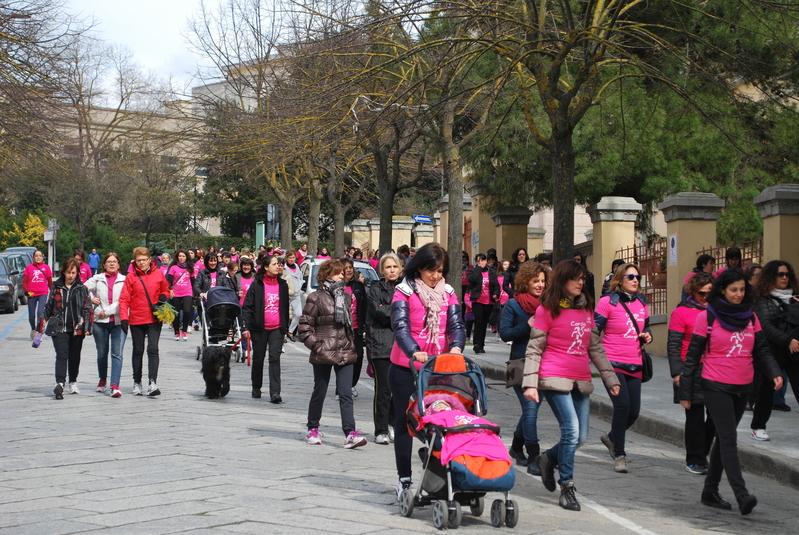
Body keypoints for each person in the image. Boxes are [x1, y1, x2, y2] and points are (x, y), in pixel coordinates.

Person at [680, 269, 782, 516]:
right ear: (722, 290)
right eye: (733, 289)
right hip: (715, 385)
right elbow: (693, 357)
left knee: (724, 438)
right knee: (728, 437)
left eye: (742, 289)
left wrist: (774, 372)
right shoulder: (708, 317)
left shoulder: (751, 317)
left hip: (743, 386)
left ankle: (709, 491)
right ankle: (741, 494)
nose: (738, 294)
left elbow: (762, 350)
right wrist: (685, 391)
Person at [523, 260, 620, 511]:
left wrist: (611, 380)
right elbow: (534, 348)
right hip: (553, 377)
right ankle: (567, 487)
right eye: (575, 278)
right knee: (571, 431)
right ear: (562, 281)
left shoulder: (586, 310)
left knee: (582, 437)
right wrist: (531, 385)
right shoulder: (547, 310)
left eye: (583, 279)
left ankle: (547, 459)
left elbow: (595, 347)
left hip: (580, 380)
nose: (580, 283)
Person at [389, 242, 465, 499]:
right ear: (419, 268)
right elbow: (400, 326)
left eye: (440, 271)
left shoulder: (449, 292)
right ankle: (405, 479)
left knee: (440, 423)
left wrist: (456, 346)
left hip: (438, 369)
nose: (435, 276)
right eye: (430, 270)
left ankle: (439, 477)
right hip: (405, 368)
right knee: (405, 424)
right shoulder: (404, 291)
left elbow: (456, 325)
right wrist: (413, 350)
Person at [298, 259, 368, 449]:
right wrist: (317, 346)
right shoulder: (316, 297)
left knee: (346, 393)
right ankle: (312, 427)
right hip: (324, 350)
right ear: (327, 275)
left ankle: (350, 433)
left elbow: (348, 325)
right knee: (319, 391)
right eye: (338, 273)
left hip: (344, 349)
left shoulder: (345, 297)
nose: (342, 276)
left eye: (342, 273)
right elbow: (304, 327)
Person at [594, 263, 652, 473]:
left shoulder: (642, 303)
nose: (636, 280)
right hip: (612, 363)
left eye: (638, 277)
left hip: (635, 362)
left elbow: (647, 328)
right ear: (620, 279)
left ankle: (611, 437)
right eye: (631, 277)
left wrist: (648, 335)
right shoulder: (607, 302)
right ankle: (620, 454)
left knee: (634, 412)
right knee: (622, 406)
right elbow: (593, 332)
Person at [500, 261, 549, 474]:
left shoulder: (550, 304)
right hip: (520, 365)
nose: (540, 285)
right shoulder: (513, 305)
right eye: (535, 280)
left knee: (530, 412)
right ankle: (534, 456)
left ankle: (516, 448)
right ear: (524, 281)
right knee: (530, 411)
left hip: (545, 365)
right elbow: (505, 334)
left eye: (543, 281)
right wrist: (526, 326)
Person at [667, 272, 715, 474]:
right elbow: (674, 344)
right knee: (694, 417)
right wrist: (677, 373)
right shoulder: (682, 312)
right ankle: (695, 459)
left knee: (715, 417)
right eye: (702, 293)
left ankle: (702, 451)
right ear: (693, 292)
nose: (706, 297)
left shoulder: (719, 311)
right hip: (691, 368)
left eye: (710, 293)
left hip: (715, 368)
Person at [749, 260, 799, 441]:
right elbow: (766, 327)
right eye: (780, 274)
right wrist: (788, 341)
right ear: (771, 276)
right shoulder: (763, 300)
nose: (784, 278)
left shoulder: (796, 297)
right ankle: (758, 427)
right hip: (772, 353)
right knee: (767, 391)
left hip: (794, 354)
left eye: (787, 274)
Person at [118, 247, 169, 397]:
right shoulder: (131, 277)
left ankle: (152, 382)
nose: (142, 263)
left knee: (153, 349)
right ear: (135, 261)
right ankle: (137, 382)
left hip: (154, 318)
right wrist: (124, 318)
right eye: (139, 260)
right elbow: (124, 298)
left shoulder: (158, 273)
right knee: (138, 350)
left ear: (149, 260)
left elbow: (166, 289)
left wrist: (164, 296)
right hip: (137, 318)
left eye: (144, 260)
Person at [41, 257, 94, 399]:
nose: (71, 275)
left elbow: (87, 308)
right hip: (59, 328)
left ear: (77, 273)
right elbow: (48, 307)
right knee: (62, 355)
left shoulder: (82, 288)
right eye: (68, 272)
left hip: (78, 328)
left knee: (74, 356)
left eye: (74, 272)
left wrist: (88, 327)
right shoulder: (56, 287)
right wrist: (40, 326)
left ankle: (73, 381)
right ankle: (60, 383)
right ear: (63, 272)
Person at [242, 255, 290, 403]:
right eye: (275, 264)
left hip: (277, 328)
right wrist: (246, 327)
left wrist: (285, 327)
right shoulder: (257, 284)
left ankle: (275, 393)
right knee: (258, 358)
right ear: (266, 267)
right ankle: (256, 387)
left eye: (279, 264)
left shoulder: (283, 284)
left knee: (275, 358)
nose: (278, 266)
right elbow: (247, 307)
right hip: (259, 328)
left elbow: (285, 307)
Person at [367, 252, 402, 445]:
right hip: (380, 344)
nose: (392, 270)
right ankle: (380, 429)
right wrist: (399, 310)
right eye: (388, 267)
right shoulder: (374, 289)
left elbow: (412, 311)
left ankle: (393, 424)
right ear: (382, 270)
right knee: (383, 390)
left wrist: (391, 308)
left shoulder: (407, 288)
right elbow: (379, 311)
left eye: (395, 266)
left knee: (399, 389)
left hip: (402, 344)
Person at [85, 253, 127, 398]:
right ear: (103, 264)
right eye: (108, 261)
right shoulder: (97, 278)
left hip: (118, 321)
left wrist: (106, 311)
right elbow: (82, 289)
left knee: (117, 353)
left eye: (114, 261)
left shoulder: (124, 280)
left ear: (119, 264)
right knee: (102, 353)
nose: (111, 264)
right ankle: (102, 380)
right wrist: (92, 300)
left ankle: (115, 385)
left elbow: (124, 300)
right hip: (99, 321)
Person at [341, 258, 367, 398]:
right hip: (340, 329)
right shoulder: (336, 286)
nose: (349, 270)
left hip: (356, 328)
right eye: (346, 267)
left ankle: (351, 384)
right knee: (342, 358)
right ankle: (342, 386)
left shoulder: (358, 286)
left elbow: (364, 306)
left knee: (358, 357)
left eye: (351, 267)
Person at [468, 253, 499, 354]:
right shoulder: (473, 271)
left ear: (486, 261)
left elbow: (496, 285)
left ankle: (481, 345)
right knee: (479, 321)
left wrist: (495, 293)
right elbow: (472, 280)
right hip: (477, 300)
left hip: (488, 301)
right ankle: (476, 344)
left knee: (485, 322)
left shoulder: (491, 272)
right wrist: (478, 269)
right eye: (478, 261)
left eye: (482, 260)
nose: (481, 263)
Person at [23, 249, 53, 340]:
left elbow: (50, 281)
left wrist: (53, 292)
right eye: (36, 256)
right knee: (31, 316)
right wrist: (26, 291)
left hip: (43, 292)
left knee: (40, 313)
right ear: (33, 257)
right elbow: (25, 281)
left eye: (40, 256)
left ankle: (38, 331)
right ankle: (33, 329)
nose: (38, 257)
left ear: (43, 257)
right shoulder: (29, 267)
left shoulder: (46, 267)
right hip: (32, 293)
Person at [166, 250, 195, 342]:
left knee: (187, 311)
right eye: (180, 256)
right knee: (176, 312)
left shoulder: (190, 268)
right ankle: (176, 331)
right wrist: (170, 290)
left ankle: (185, 330)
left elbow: (193, 281)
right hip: (176, 292)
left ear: (186, 257)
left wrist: (195, 293)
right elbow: (169, 280)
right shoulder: (173, 268)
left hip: (187, 291)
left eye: (183, 256)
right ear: (177, 257)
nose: (181, 258)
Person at [283, 250, 304, 341]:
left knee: (299, 314)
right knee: (285, 315)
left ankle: (290, 331)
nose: (292, 259)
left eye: (293, 258)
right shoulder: (283, 268)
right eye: (290, 258)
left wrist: (300, 286)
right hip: (286, 294)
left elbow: (301, 278)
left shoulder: (298, 266)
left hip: (296, 294)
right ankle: (283, 333)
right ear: (286, 258)